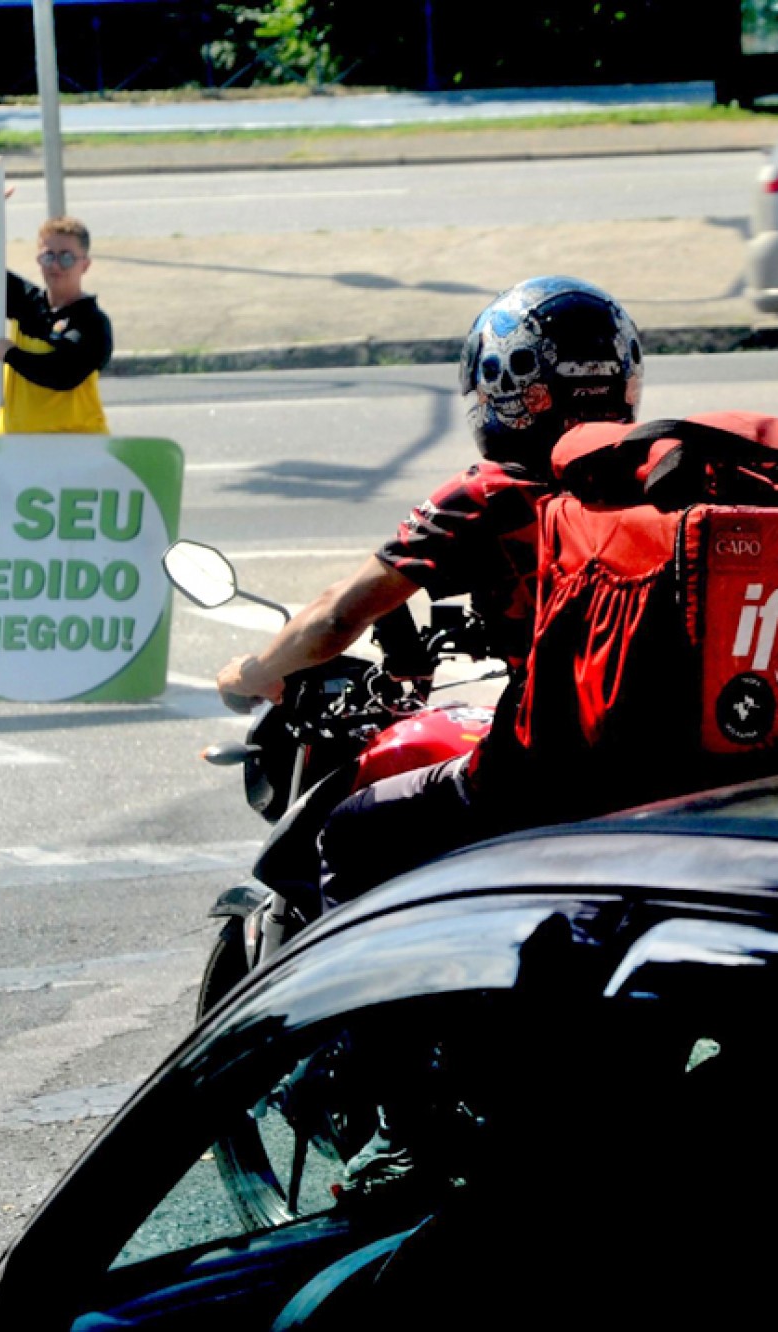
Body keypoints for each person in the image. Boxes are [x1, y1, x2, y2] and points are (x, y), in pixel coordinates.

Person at [215, 276, 645, 904]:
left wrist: (253, 673)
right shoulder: (663, 474)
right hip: (657, 765)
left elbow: (337, 617)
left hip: (542, 766)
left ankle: (353, 998)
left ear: (500, 381)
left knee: (345, 833)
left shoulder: (492, 494)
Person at [0, 215, 112, 435]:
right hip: (15, 446)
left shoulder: (92, 322)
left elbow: (62, 373)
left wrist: (10, 354)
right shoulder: (26, 303)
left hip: (76, 446)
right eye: (48, 256)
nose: (55, 265)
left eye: (66, 258)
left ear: (85, 265)